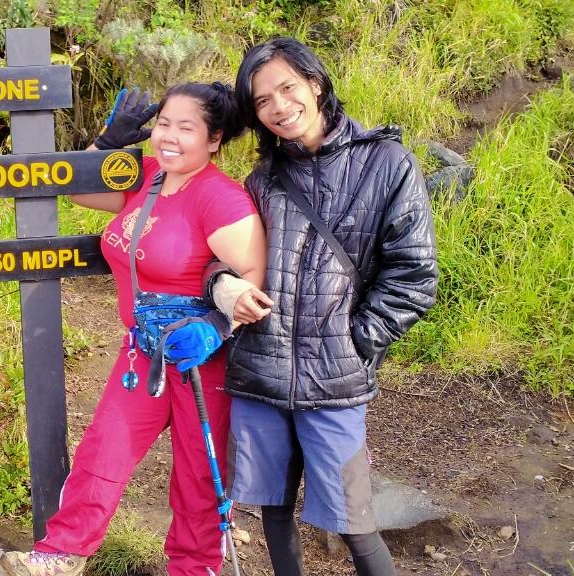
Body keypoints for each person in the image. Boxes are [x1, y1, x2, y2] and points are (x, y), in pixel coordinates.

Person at [0, 83, 267, 576]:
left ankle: (194, 567)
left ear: (214, 139)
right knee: (104, 448)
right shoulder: (143, 176)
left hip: (200, 359)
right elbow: (76, 187)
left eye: (186, 128)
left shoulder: (220, 199)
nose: (169, 136)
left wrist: (215, 324)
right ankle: (61, 554)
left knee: (197, 475)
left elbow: (255, 278)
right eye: (163, 123)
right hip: (143, 351)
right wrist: (105, 144)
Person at [199, 38, 439, 576]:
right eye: (262, 101)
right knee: (274, 509)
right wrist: (223, 287)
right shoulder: (262, 181)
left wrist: (358, 340)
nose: (279, 106)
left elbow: (415, 276)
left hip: (335, 380)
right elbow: (219, 258)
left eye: (287, 88)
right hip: (261, 370)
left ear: (316, 83)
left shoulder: (387, 165)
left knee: (354, 521)